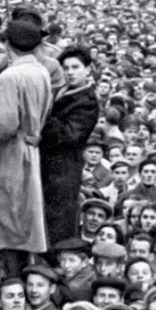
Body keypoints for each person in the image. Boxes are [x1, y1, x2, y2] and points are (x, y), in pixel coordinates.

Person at [0, 20, 52, 275]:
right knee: (24, 214)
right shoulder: (41, 70)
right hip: (31, 144)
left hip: (11, 150)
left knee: (7, 214)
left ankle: (9, 273)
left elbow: (4, 124)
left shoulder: (10, 76)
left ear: (9, 45)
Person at [40, 46, 100, 246]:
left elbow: (69, 136)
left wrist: (43, 117)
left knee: (57, 223)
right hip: (48, 167)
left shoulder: (87, 101)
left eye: (76, 67)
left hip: (63, 172)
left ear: (88, 69)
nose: (70, 72)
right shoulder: (62, 91)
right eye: (66, 68)